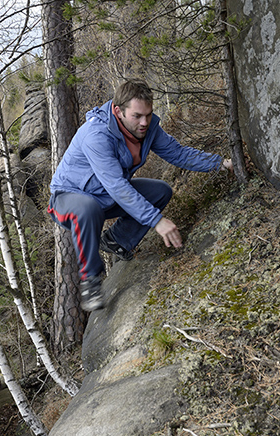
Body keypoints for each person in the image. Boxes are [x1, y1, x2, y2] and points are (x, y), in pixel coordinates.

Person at [48, 79, 233, 312]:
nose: (144, 122)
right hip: (68, 199)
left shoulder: (147, 128)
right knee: (88, 208)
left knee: (160, 191)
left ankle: (117, 241)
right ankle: (90, 281)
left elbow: (178, 154)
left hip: (106, 196)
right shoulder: (96, 135)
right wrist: (157, 221)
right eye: (137, 116)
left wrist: (221, 164)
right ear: (118, 111)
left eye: (148, 114)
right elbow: (117, 186)